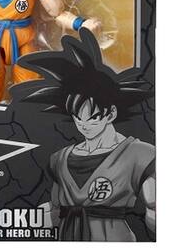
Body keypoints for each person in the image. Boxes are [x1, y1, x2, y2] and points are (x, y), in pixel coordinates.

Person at [18, 28, 155, 241]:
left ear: (111, 113)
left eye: (93, 118)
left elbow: (153, 207)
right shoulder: (60, 159)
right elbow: (55, 211)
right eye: (78, 118)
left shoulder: (139, 154)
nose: (84, 125)